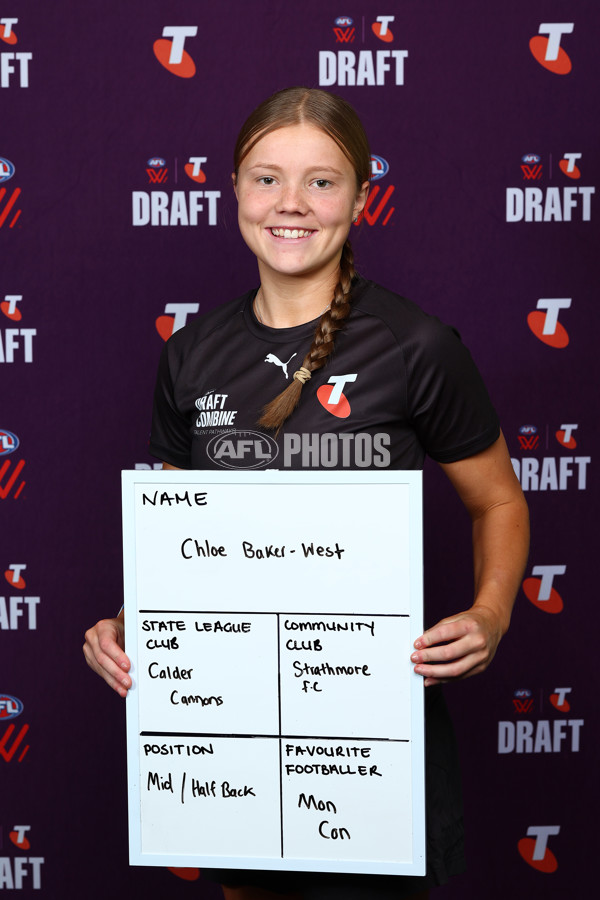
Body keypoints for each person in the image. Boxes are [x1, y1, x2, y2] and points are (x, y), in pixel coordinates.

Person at [83, 87, 529, 900]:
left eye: (322, 182)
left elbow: (499, 500)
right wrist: (127, 621)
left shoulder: (416, 346)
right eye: (267, 179)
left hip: (375, 732)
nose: (292, 204)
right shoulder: (189, 356)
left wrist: (492, 613)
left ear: (361, 196)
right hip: (232, 734)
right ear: (234, 190)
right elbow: (185, 543)